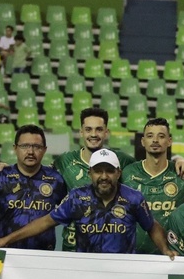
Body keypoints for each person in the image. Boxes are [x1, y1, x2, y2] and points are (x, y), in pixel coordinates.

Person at [0, 149, 175, 257]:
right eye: (98, 171)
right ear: (90, 174)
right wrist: (6, 240)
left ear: (118, 173)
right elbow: (46, 222)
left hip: (123, 271)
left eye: (109, 171)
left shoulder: (134, 198)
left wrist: (166, 250)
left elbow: (151, 226)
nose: (104, 177)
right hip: (85, 270)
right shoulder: (77, 198)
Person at [0, 125, 67, 251]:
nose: (30, 152)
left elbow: (71, 208)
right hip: (4, 253)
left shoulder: (56, 180)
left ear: (45, 150)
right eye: (24, 146)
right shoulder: (0, 175)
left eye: (36, 147)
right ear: (15, 148)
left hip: (42, 257)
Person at [53, 107, 139, 251]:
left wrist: (178, 164)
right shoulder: (65, 161)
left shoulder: (123, 161)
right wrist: (4, 167)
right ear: (81, 131)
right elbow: (39, 175)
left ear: (106, 132)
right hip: (73, 250)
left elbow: (147, 170)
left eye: (99, 129)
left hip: (111, 249)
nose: (93, 134)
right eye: (88, 129)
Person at [121, 118, 184, 255]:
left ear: (169, 141)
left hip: (172, 254)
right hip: (132, 254)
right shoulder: (127, 174)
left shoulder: (182, 173)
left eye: (161, 136)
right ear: (142, 141)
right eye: (150, 136)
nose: (155, 140)